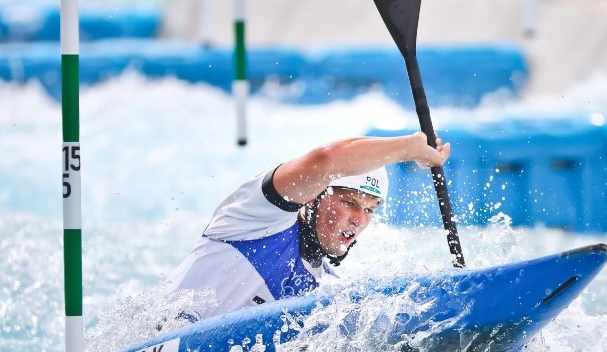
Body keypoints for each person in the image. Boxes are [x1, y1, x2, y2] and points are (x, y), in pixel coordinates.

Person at [165, 132, 450, 322]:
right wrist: (410, 147)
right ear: (315, 195)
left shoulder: (324, 291)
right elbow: (326, 160)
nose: (358, 220)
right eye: (350, 202)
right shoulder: (256, 218)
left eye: (369, 210)